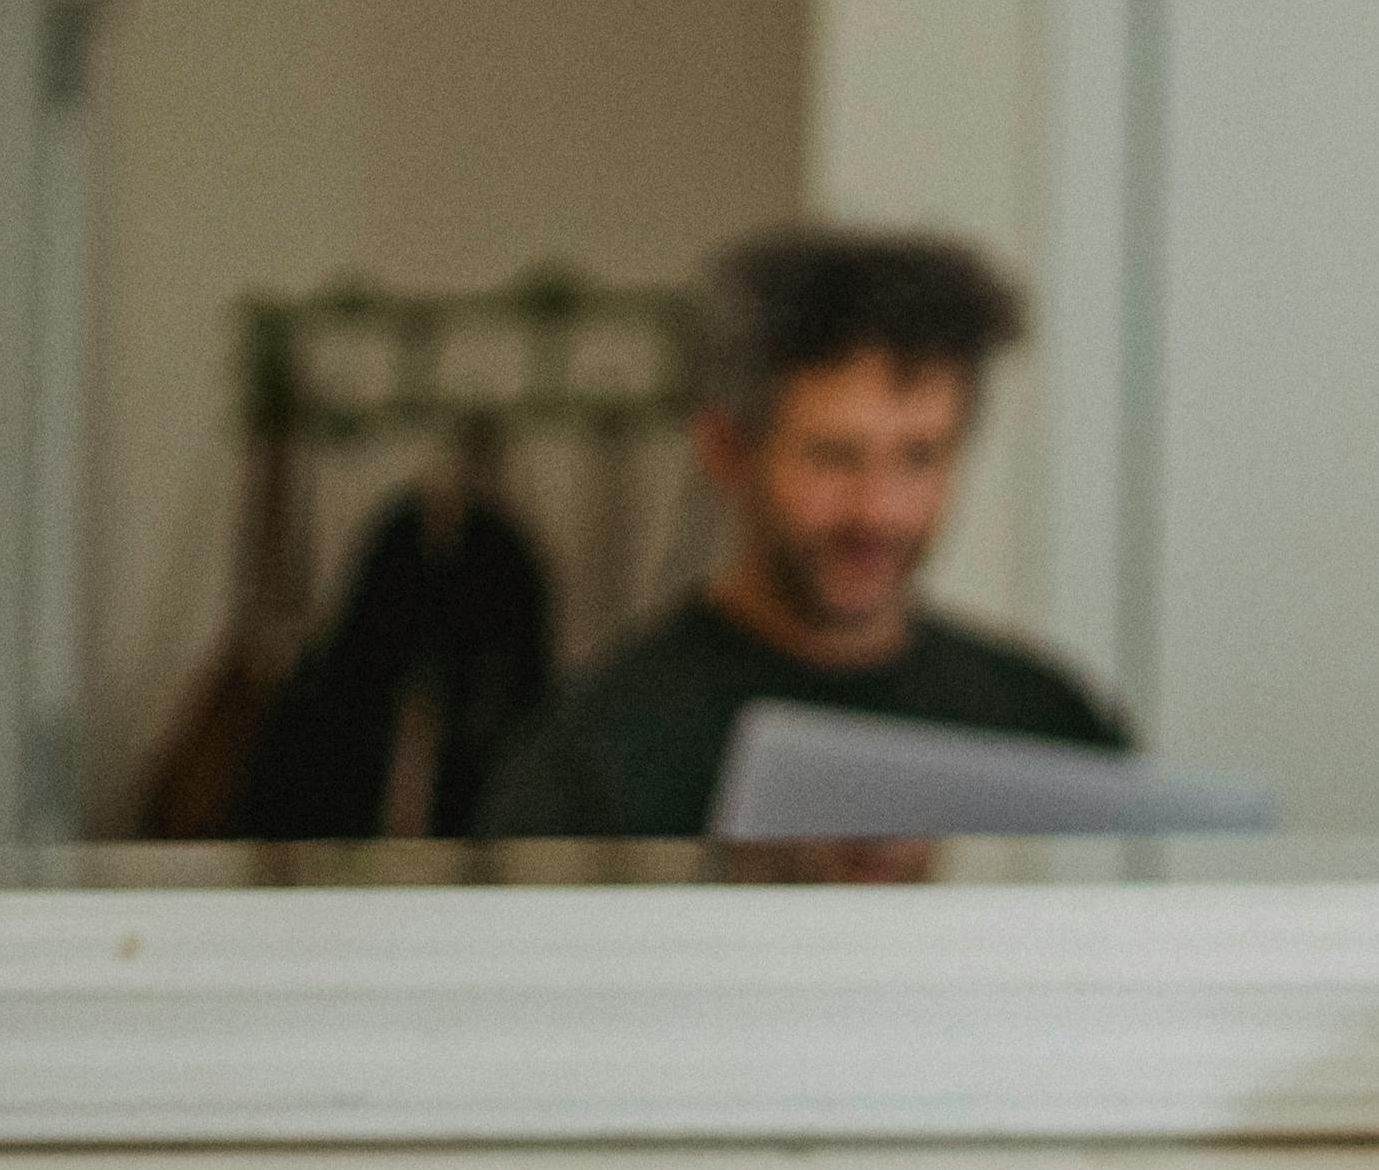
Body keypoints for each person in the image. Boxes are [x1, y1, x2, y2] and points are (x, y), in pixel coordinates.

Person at [475, 227, 1125, 841]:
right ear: (726, 448)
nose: (877, 511)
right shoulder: (594, 754)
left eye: (920, 455)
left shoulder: (1050, 726)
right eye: (832, 457)